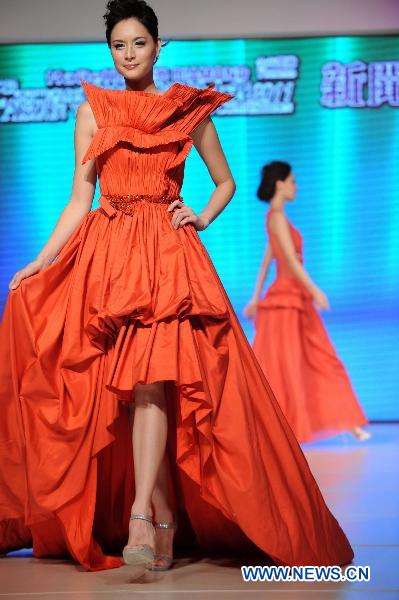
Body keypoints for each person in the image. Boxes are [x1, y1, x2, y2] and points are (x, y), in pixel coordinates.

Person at [0, 0, 354, 573]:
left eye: (139, 43)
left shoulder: (185, 111)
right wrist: (41, 262)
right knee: (134, 390)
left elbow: (226, 181)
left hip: (167, 259)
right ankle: (160, 519)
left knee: (154, 385)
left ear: (159, 46)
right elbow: (76, 201)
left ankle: (143, 511)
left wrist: (202, 217)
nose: (129, 54)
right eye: (119, 45)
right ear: (109, 50)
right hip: (109, 262)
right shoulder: (90, 112)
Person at [244, 161, 371, 444]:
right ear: (280, 183)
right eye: (292, 180)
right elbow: (286, 259)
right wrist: (314, 289)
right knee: (289, 363)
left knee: (319, 358)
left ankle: (349, 421)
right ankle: (278, 427)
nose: (295, 185)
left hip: (294, 299)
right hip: (287, 300)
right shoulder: (275, 217)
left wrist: (255, 298)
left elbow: (268, 260)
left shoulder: (277, 218)